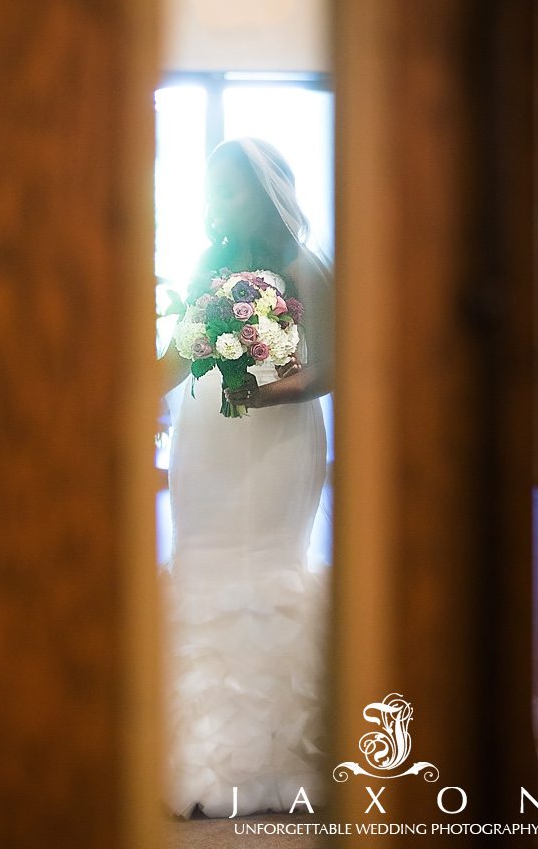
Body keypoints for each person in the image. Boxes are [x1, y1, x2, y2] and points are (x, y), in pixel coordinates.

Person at [157, 137, 334, 819]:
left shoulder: (303, 266)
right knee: (199, 564)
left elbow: (335, 365)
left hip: (278, 436)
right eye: (211, 190)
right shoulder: (209, 263)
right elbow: (175, 356)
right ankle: (190, 745)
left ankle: (272, 752)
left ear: (265, 193)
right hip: (206, 437)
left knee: (267, 567)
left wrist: (276, 390)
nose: (217, 203)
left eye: (229, 189)